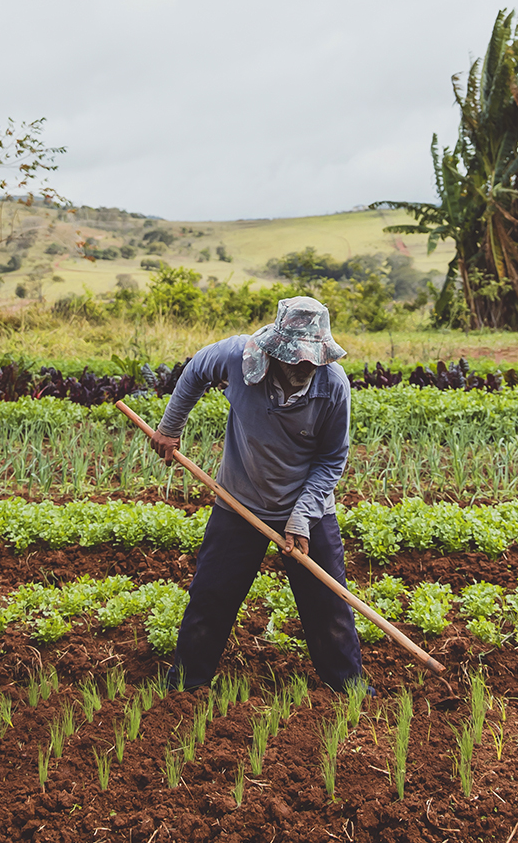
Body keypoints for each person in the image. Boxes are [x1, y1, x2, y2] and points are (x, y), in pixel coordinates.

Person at [150, 296, 365, 693]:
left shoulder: (333, 386)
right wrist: (170, 425)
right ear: (277, 351)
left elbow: (332, 460)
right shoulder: (237, 356)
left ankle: (348, 687)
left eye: (311, 360)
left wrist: (301, 518)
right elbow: (195, 370)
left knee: (329, 605)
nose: (304, 367)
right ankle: (186, 684)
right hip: (239, 501)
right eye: (296, 359)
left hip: (307, 508)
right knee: (211, 596)